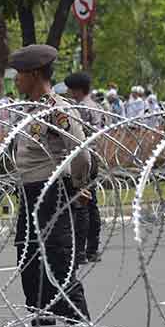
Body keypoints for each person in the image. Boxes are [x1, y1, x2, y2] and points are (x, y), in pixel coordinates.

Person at [4, 46, 95, 327]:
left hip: (52, 193)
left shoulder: (57, 110)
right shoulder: (29, 109)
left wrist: (76, 185)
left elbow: (81, 152)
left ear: (33, 74)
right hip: (30, 195)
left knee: (59, 273)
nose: (15, 79)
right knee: (32, 273)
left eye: (19, 73)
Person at [64, 71, 104, 264]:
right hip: (95, 156)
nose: (69, 93)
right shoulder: (96, 106)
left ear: (77, 89)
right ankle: (93, 249)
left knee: (81, 204)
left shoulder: (80, 109)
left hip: (84, 157)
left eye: (71, 89)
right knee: (92, 204)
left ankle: (79, 252)